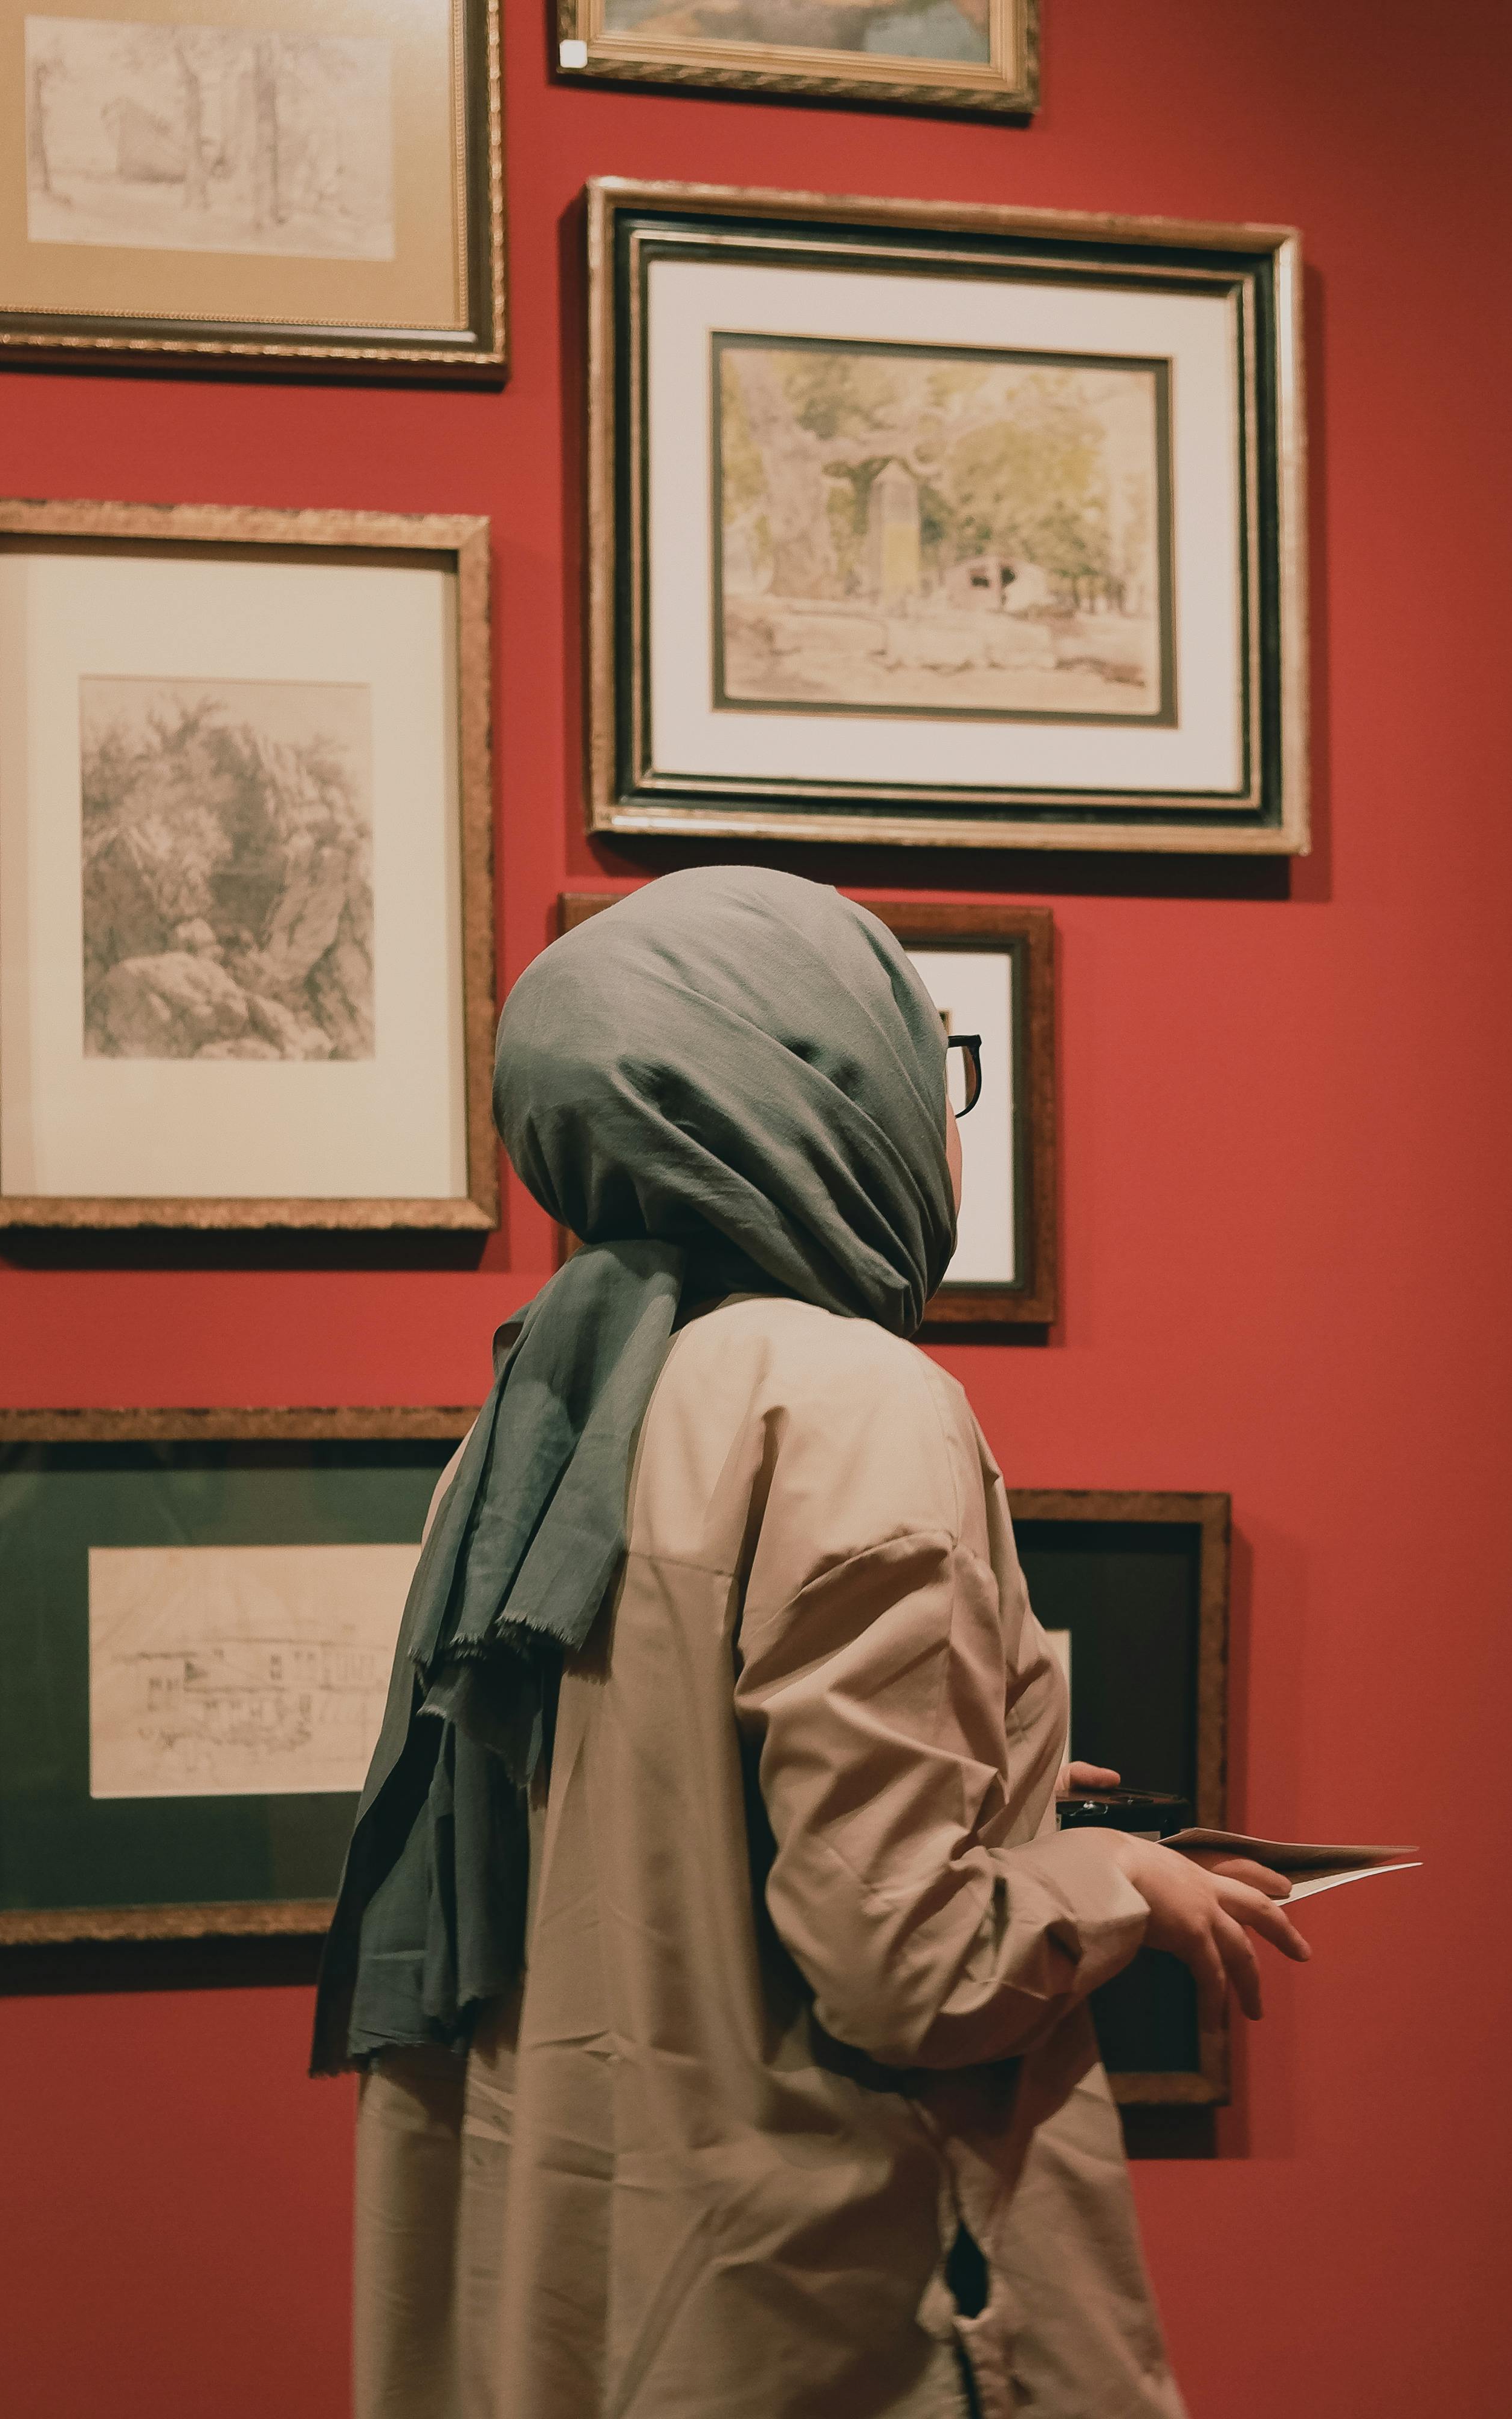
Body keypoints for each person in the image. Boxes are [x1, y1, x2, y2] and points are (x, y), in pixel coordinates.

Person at [316, 866, 1308, 2417]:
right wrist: (1107, 1879)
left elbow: (650, 1852)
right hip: (818, 2310)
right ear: (816, 1088)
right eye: (927, 1062)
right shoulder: (844, 1396)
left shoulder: (533, 1416)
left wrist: (998, 1790)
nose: (946, 1118)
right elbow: (906, 1969)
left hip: (588, 2299)